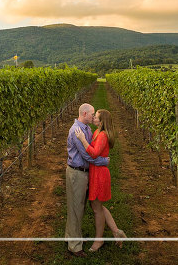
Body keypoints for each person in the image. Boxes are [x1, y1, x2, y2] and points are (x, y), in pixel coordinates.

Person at [74, 109, 127, 252]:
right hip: (95, 172)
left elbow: (94, 153)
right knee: (98, 206)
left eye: (96, 117)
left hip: (99, 175)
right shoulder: (97, 132)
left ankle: (99, 240)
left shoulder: (103, 135)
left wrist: (82, 139)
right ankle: (116, 232)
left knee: (97, 208)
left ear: (102, 121)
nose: (93, 118)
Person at [65, 103, 110, 258]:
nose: (93, 117)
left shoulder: (87, 129)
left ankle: (69, 237)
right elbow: (87, 156)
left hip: (84, 173)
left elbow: (92, 149)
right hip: (76, 173)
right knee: (76, 209)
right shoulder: (76, 130)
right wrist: (104, 162)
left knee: (78, 207)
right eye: (92, 114)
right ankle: (75, 247)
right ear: (84, 114)